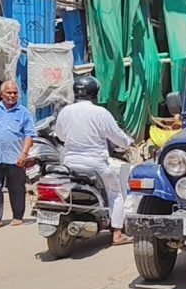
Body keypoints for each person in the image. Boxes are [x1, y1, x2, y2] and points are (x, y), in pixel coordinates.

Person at [55, 75, 135, 246]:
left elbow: (60, 136)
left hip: (69, 163)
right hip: (96, 164)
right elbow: (118, 137)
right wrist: (129, 142)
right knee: (116, 193)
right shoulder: (100, 113)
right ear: (94, 93)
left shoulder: (65, 112)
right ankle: (118, 234)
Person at [0, 81, 35, 230]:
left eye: (15, 93)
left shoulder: (23, 112)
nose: (12, 95)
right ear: (2, 94)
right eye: (9, 93)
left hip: (16, 158)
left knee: (16, 187)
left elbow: (29, 135)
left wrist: (24, 154)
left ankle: (17, 216)